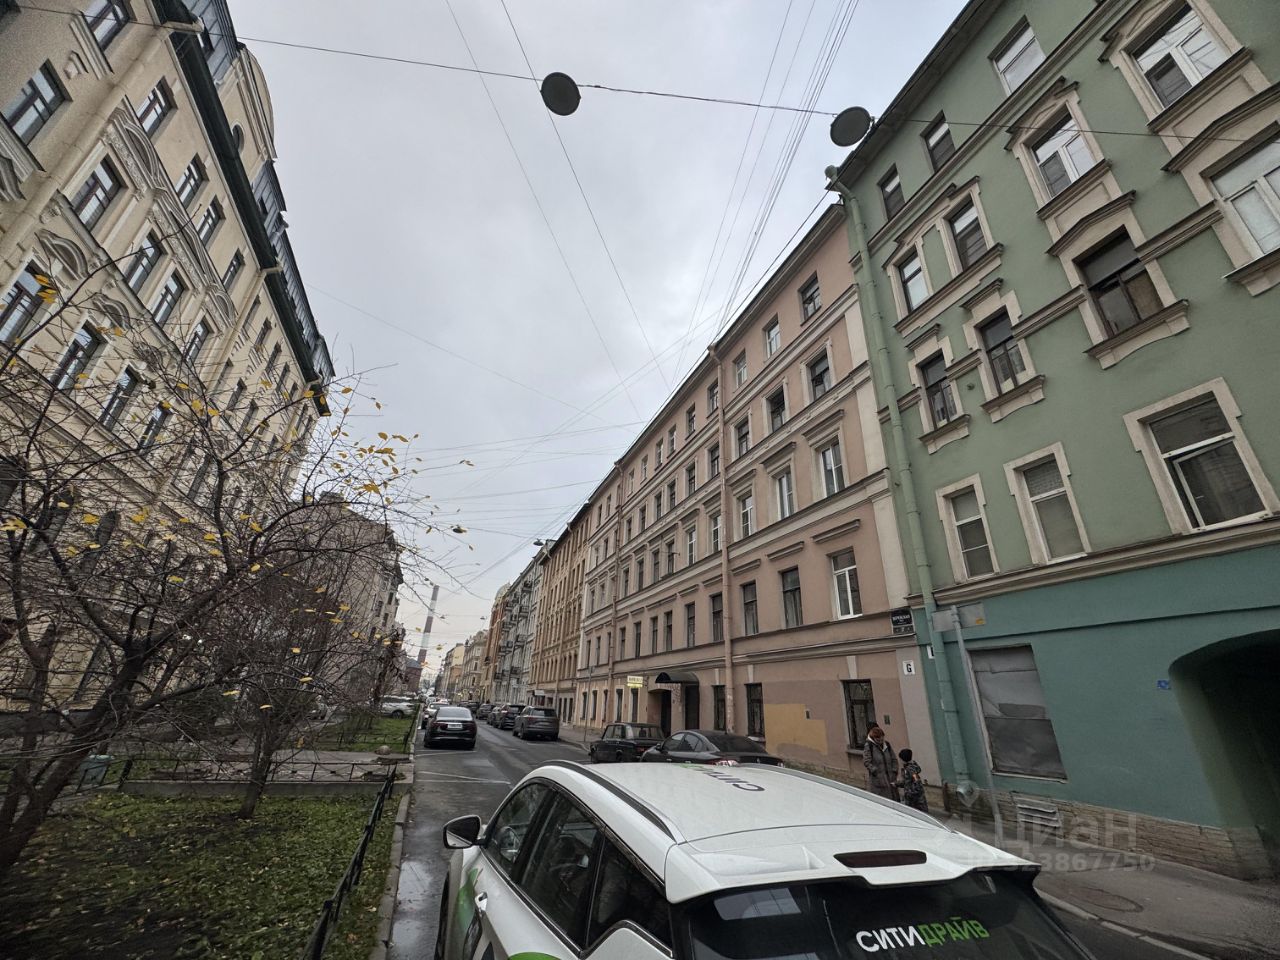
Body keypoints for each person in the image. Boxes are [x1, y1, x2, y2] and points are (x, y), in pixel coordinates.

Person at [862, 726, 898, 800]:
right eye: (878, 739)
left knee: (894, 799)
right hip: (878, 781)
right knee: (882, 800)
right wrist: (875, 771)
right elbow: (866, 762)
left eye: (882, 738)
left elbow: (893, 758)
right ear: (874, 738)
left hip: (891, 778)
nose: (881, 741)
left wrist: (895, 770)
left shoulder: (887, 745)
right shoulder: (869, 746)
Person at [897, 748, 928, 812]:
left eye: (900, 759)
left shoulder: (911, 770)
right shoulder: (908, 768)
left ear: (903, 759)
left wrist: (909, 793)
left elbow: (917, 782)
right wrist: (896, 784)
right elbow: (907, 782)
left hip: (916, 802)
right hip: (913, 801)